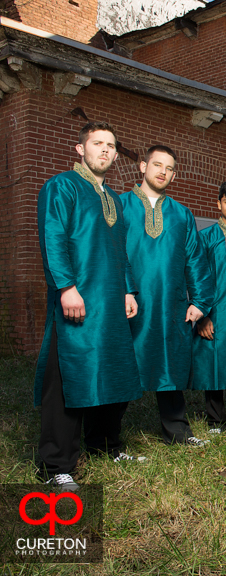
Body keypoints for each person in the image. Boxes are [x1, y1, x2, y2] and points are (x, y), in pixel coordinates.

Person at [34, 122, 143, 492]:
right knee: (69, 378)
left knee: (113, 370)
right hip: (78, 300)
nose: (105, 150)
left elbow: (120, 252)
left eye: (111, 146)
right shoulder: (61, 186)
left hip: (111, 300)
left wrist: (128, 290)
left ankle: (106, 444)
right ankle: (56, 463)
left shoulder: (112, 196)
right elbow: (53, 237)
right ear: (81, 149)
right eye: (98, 143)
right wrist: (65, 287)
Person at [120, 145, 213, 447]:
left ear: (174, 174)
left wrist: (200, 301)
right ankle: (107, 436)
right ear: (142, 166)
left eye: (169, 168)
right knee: (122, 362)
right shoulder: (120, 206)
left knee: (169, 365)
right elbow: (112, 253)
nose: (162, 171)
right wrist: (123, 290)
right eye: (157, 164)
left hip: (171, 304)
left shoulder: (181, 214)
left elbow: (195, 260)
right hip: (130, 303)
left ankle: (178, 432)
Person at [192, 181, 226, 433]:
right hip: (215, 311)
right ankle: (215, 419)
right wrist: (202, 317)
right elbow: (196, 277)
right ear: (219, 204)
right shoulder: (205, 238)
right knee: (212, 360)